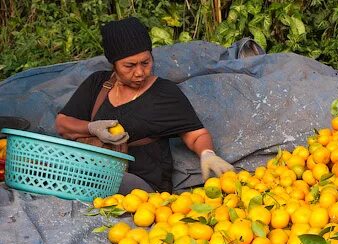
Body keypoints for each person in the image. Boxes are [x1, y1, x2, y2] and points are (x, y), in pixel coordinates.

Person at [55, 17, 232, 193]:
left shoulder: (164, 93)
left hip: (142, 184)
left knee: (92, 176)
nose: (140, 72)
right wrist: (92, 128)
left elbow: (196, 135)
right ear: (113, 64)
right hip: (93, 169)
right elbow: (62, 124)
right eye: (129, 66)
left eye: (145, 63)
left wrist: (207, 154)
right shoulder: (99, 84)